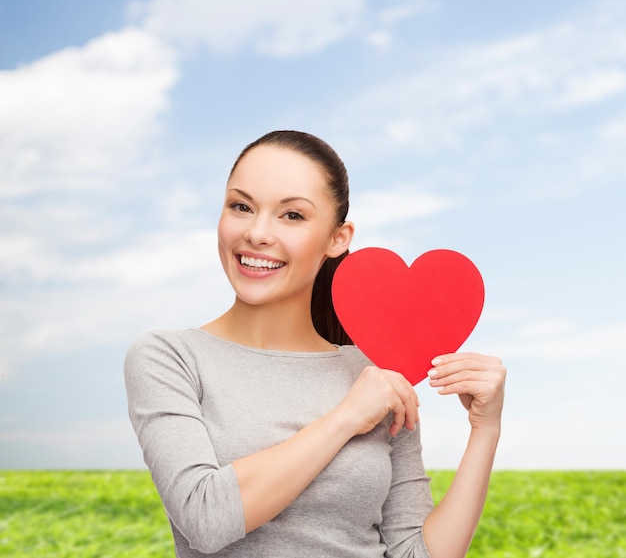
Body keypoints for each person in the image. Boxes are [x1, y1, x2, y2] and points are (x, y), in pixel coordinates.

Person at [124, 130, 506, 558]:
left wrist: (484, 431)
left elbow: (415, 553)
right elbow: (205, 518)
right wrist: (346, 417)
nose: (257, 233)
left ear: (338, 238)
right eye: (241, 206)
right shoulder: (169, 357)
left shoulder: (377, 373)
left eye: (292, 216)